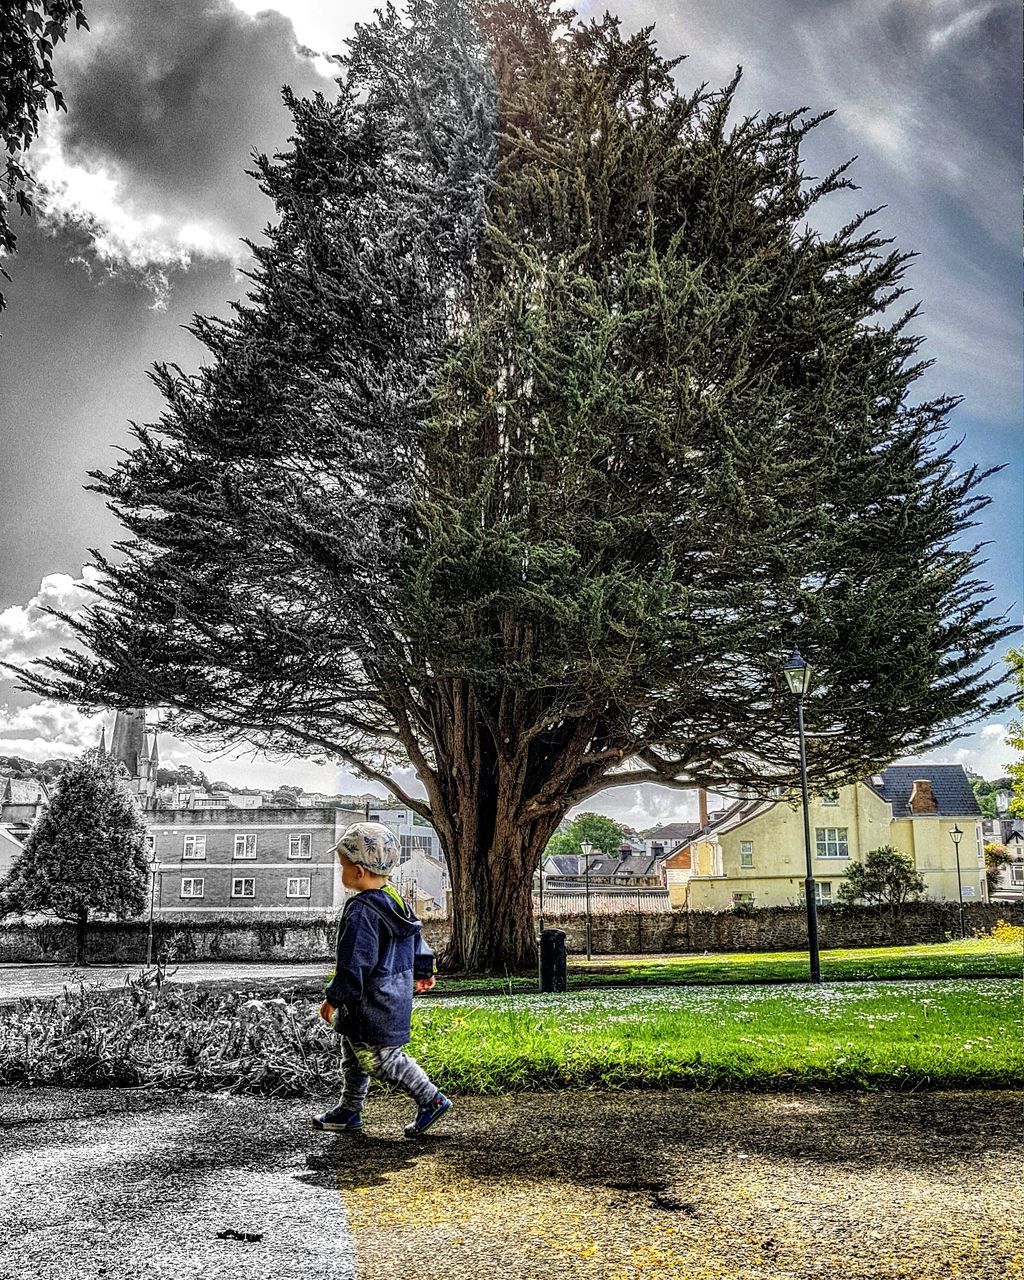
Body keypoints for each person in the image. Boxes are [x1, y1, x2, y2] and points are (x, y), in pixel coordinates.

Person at [312, 821, 453, 1138]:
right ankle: (349, 1111)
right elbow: (416, 937)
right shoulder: (395, 900)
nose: (341, 873)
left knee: (382, 1061)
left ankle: (430, 1099)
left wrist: (334, 997)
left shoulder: (361, 909)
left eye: (343, 867)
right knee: (353, 1058)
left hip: (370, 1001)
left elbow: (354, 962)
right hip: (393, 994)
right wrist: (424, 970)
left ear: (359, 871)